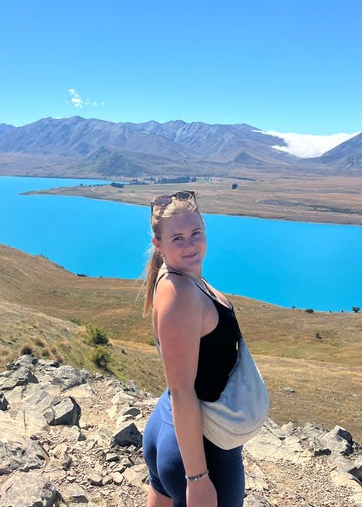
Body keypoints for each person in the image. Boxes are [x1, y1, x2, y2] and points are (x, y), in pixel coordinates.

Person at [142, 190, 245, 507]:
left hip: (168, 427)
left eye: (196, 233)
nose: (190, 244)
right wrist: (198, 479)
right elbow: (183, 390)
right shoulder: (180, 295)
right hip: (201, 450)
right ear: (159, 244)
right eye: (178, 238)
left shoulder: (176, 278)